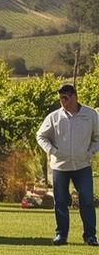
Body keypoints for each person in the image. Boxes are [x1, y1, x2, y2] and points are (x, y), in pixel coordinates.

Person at [35, 83, 99, 246]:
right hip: (60, 167)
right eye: (61, 98)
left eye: (66, 97)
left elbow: (98, 137)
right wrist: (52, 151)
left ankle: (90, 236)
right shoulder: (54, 117)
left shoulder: (90, 115)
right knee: (61, 201)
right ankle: (61, 235)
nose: (63, 101)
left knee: (86, 200)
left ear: (74, 96)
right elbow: (41, 136)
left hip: (82, 165)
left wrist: (90, 153)